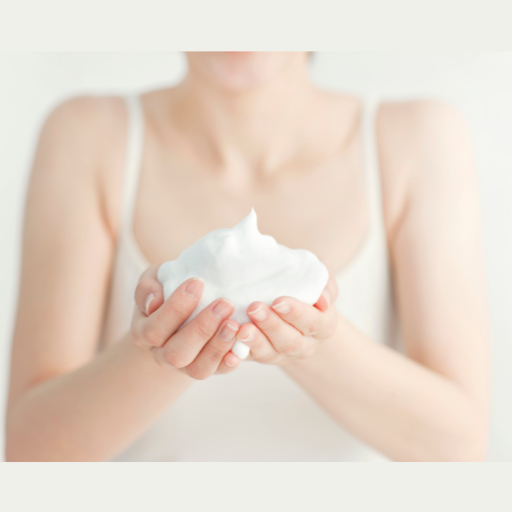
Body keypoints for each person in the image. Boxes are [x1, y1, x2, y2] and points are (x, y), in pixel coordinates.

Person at [5, 52, 489, 461]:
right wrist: (159, 352)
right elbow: (28, 451)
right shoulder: (89, 135)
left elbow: (460, 448)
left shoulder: (416, 137)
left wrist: (311, 343)